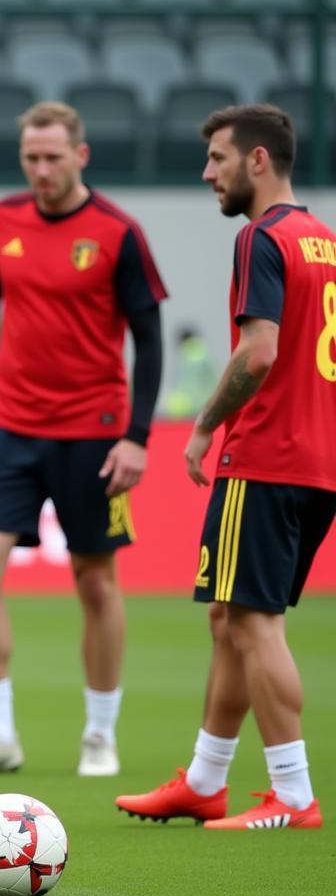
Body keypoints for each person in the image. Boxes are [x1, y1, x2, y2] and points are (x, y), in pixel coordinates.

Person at [116, 104, 334, 830]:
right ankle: (206, 780)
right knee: (229, 617)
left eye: (217, 158)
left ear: (258, 161)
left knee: (254, 622)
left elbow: (260, 351)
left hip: (267, 457)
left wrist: (204, 427)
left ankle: (294, 795)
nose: (208, 173)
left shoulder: (262, 239)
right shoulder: (322, 241)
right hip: (316, 461)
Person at [0, 101, 166, 779]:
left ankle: (99, 734)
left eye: (53, 158)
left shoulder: (118, 233)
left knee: (95, 583)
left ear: (81, 155)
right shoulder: (3, 221)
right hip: (9, 425)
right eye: (31, 159)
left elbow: (150, 340)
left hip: (94, 434)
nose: (41, 170)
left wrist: (137, 437)